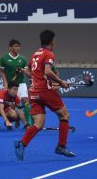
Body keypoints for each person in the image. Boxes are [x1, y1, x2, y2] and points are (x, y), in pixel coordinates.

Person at [14, 29, 75, 161]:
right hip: (44, 91)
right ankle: (61, 146)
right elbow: (47, 71)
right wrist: (60, 82)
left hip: (33, 91)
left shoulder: (35, 54)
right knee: (64, 115)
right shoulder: (49, 54)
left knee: (39, 124)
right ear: (52, 41)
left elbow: (29, 72)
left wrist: (40, 80)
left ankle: (22, 143)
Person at [0, 39, 32, 126]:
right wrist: (5, 83)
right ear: (10, 47)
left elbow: (29, 74)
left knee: (26, 102)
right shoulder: (4, 58)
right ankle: (17, 119)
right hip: (11, 85)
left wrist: (22, 70)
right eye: (15, 46)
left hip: (21, 84)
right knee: (12, 106)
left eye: (18, 46)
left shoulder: (23, 59)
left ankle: (27, 123)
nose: (17, 48)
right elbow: (2, 71)